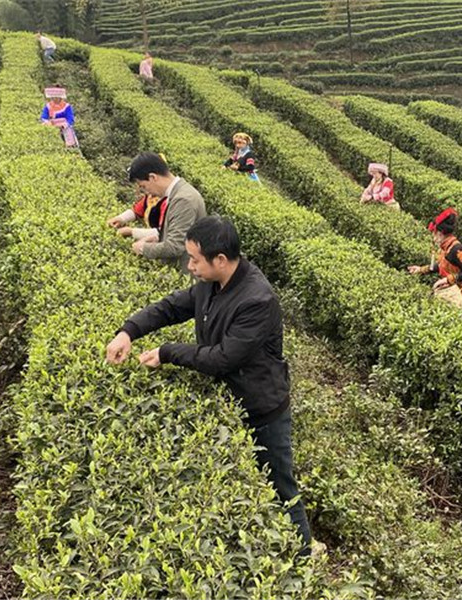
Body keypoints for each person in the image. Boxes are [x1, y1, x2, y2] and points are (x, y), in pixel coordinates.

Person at [105, 216, 312, 554]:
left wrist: (166, 352)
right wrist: (128, 331)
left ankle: (303, 557)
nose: (189, 267)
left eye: (194, 260)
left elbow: (222, 359)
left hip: (262, 407)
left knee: (280, 484)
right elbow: (172, 307)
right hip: (229, 396)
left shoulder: (257, 300)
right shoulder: (210, 281)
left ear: (219, 259)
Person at [126, 152, 206, 273]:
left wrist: (143, 248)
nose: (146, 192)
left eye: (143, 186)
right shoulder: (177, 193)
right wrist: (158, 238)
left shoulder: (183, 199)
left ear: (153, 177)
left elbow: (175, 246)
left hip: (188, 273)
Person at [407, 208, 462, 316]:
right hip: (452, 289)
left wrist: (447, 279)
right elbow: (440, 266)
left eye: (434, 234)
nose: (434, 238)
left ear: (440, 234)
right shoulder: (445, 247)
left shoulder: (457, 249)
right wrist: (420, 269)